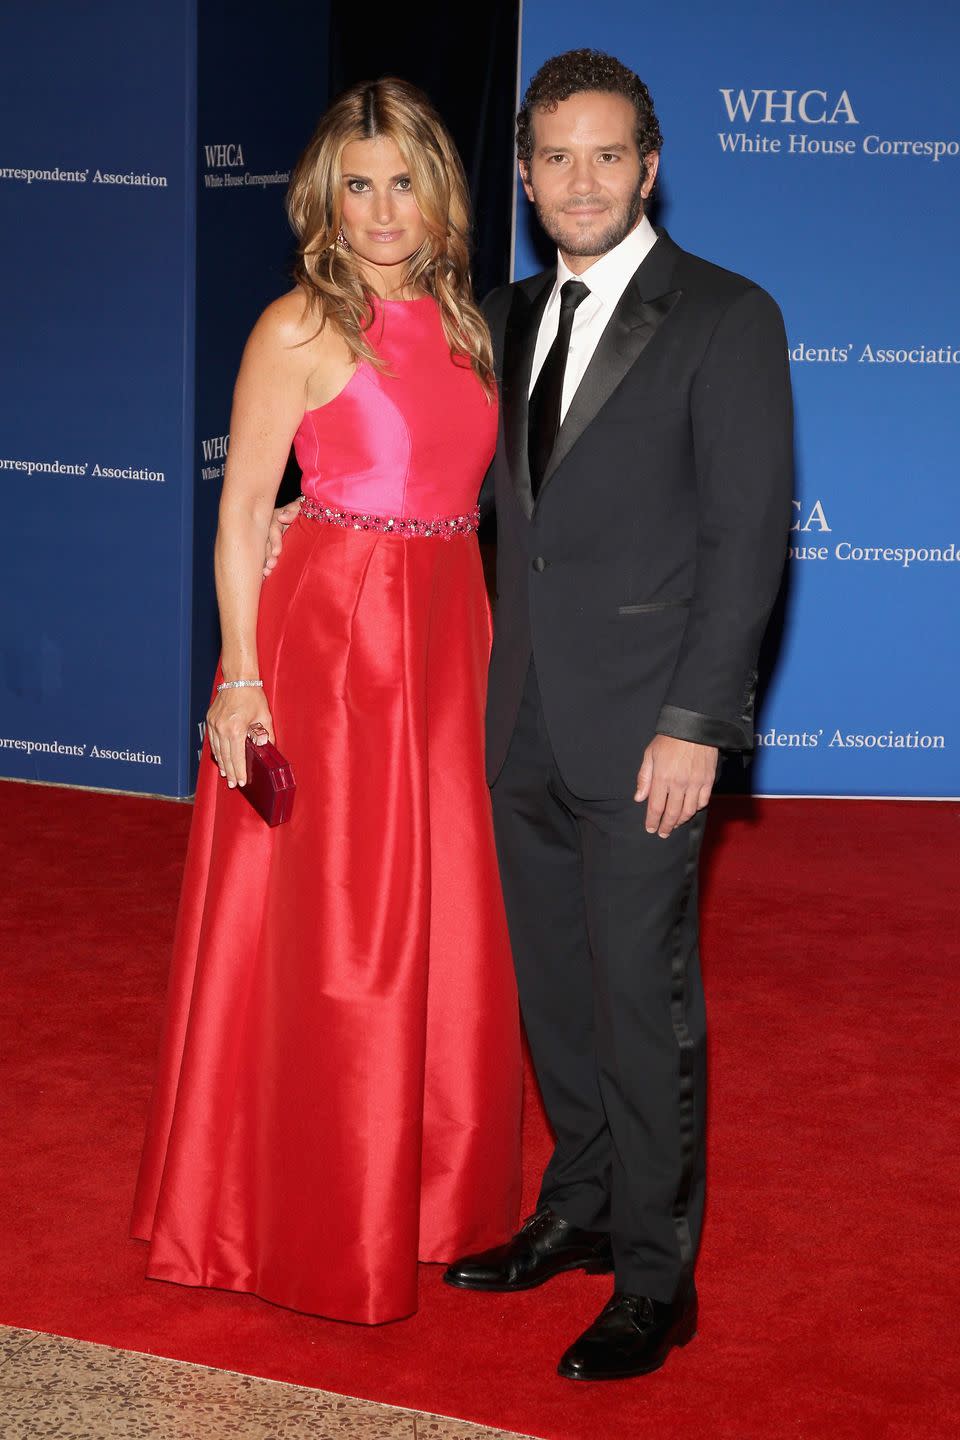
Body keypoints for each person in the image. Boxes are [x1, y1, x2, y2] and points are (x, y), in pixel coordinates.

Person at [131, 78, 522, 1326]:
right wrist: (240, 676)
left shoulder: (475, 325)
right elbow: (246, 506)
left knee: (453, 912)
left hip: (451, 627)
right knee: (340, 932)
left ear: (440, 191)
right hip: (334, 648)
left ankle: (435, 1192)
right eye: (359, 184)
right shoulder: (296, 327)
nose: (382, 208)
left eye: (404, 179)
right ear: (324, 198)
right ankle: (293, 1200)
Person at [441, 49, 794, 1380]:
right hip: (519, 712)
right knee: (556, 995)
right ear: (524, 178)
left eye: (606, 154)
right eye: (554, 158)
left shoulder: (724, 315)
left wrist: (698, 721)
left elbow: (746, 537)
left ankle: (656, 1273)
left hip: (650, 730)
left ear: (649, 167)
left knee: (644, 1003)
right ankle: (578, 1205)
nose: (580, 180)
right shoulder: (504, 314)